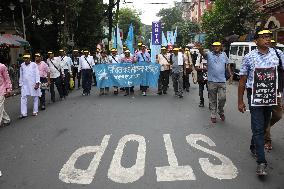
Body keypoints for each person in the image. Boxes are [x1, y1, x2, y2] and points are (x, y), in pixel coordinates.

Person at [238, 29, 284, 176]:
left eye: (269, 37)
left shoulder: (278, 54)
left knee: (264, 125)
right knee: (258, 127)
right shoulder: (249, 57)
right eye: (264, 37)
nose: (267, 39)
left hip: (271, 95)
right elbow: (242, 80)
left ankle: (254, 145)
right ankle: (261, 162)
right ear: (256, 40)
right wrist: (240, 101)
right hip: (255, 96)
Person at [196, 42, 233, 123]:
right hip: (211, 81)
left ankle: (220, 111)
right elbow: (203, 53)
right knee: (212, 99)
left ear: (220, 47)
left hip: (222, 81)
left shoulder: (224, 54)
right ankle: (213, 113)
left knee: (222, 98)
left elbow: (227, 65)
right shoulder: (209, 54)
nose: (216, 47)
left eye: (218, 46)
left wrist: (230, 75)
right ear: (212, 47)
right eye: (214, 46)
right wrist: (200, 48)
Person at [263, 39, 283, 150]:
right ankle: (267, 139)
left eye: (272, 42)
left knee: (278, 115)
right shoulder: (256, 54)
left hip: (276, 90)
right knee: (266, 115)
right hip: (263, 90)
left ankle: (265, 127)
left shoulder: (279, 54)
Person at [0, 62, 12, 126]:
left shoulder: (2, 66)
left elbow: (7, 79)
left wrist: (8, 89)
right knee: (0, 107)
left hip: (1, 90)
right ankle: (6, 119)